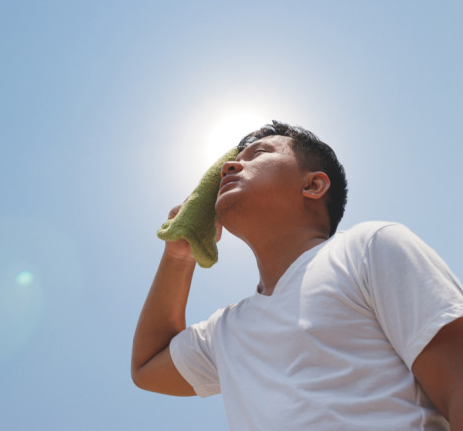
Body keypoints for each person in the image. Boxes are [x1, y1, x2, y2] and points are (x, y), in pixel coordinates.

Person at [131, 121, 463, 430]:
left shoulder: (368, 248)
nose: (229, 167)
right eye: (229, 164)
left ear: (313, 185)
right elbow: (147, 367)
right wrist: (177, 254)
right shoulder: (227, 331)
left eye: (258, 154)